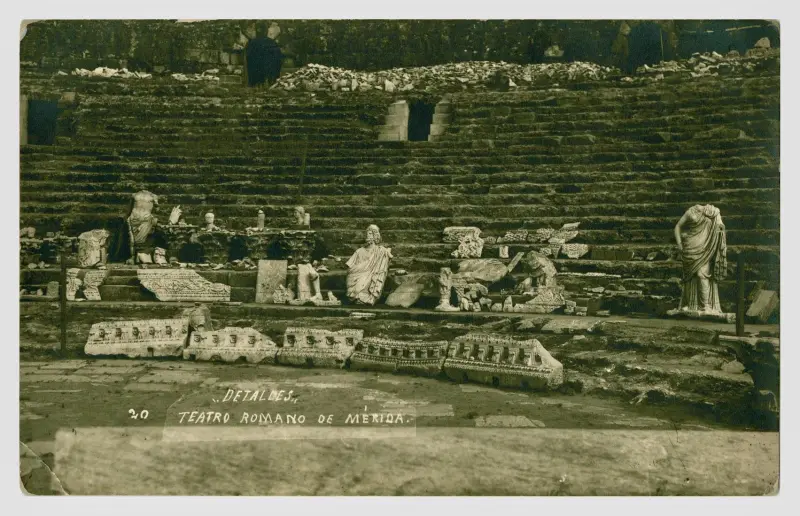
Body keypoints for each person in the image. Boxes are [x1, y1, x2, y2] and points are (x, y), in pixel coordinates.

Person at [674, 204, 728, 313]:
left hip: (705, 249)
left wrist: (721, 228)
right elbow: (677, 226)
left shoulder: (714, 211)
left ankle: (706, 306)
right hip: (690, 247)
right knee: (689, 276)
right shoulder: (691, 211)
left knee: (701, 274)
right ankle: (690, 305)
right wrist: (679, 244)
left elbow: (720, 225)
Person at [345, 225, 393, 305]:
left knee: (359, 287)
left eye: (370, 233)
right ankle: (357, 297)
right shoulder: (359, 251)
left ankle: (364, 298)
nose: (368, 235)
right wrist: (354, 269)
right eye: (367, 233)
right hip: (356, 274)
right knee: (351, 280)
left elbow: (388, 256)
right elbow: (349, 265)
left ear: (375, 236)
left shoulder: (380, 250)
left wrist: (387, 252)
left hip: (369, 274)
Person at [245, 22, 284, 87]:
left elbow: (248, 60)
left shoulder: (251, 44)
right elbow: (278, 60)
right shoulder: (272, 42)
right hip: (269, 72)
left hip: (256, 73)